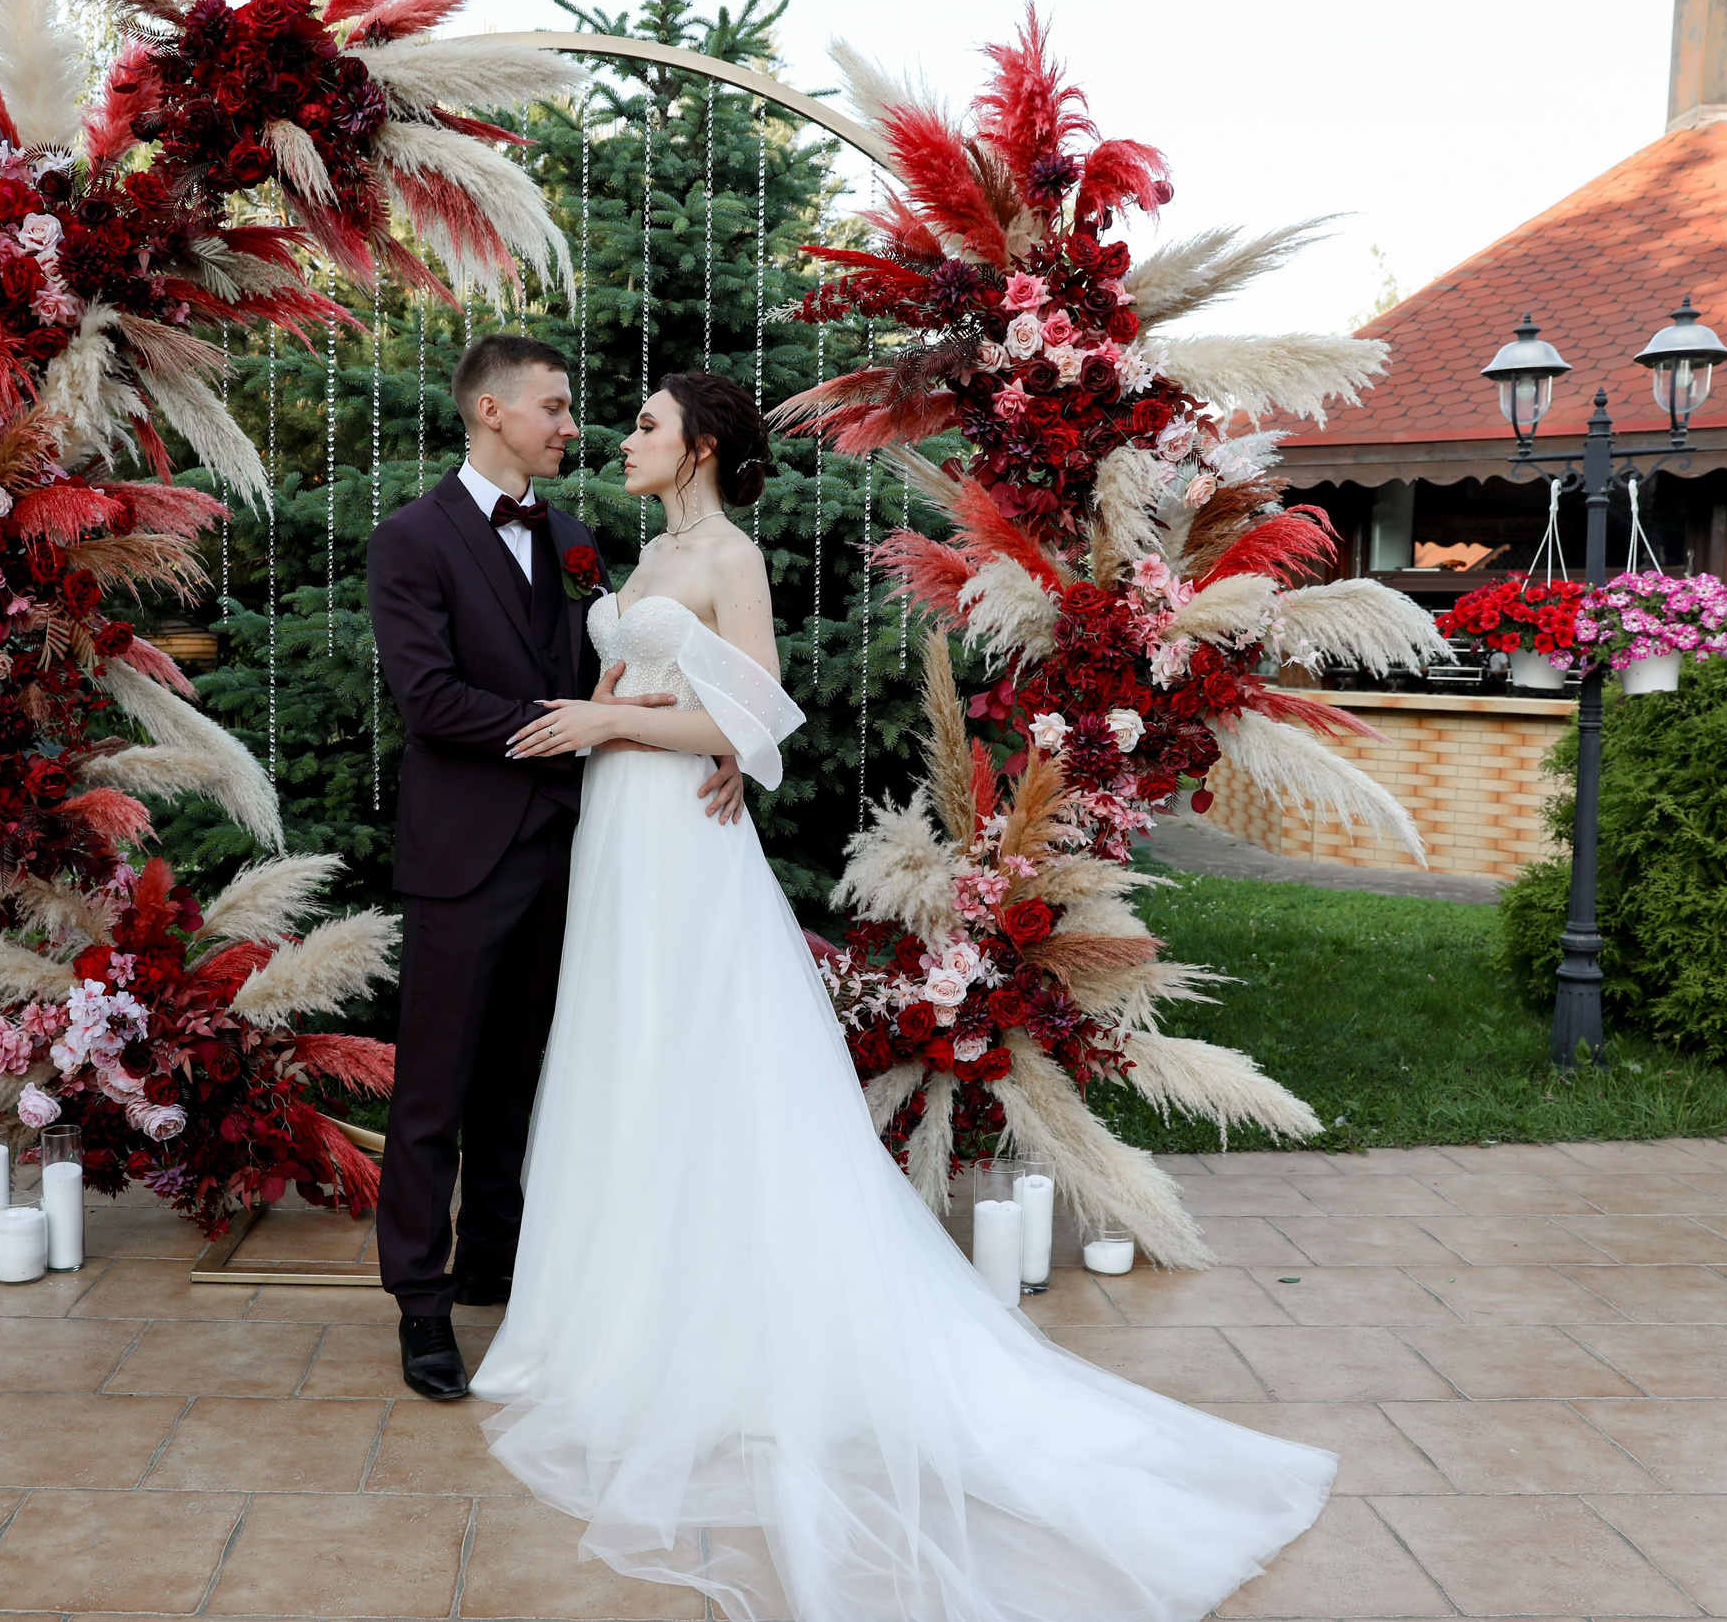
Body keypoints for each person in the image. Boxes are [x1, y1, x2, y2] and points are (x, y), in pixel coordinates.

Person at [474, 370, 1337, 1622]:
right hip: (620, 836)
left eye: (646, 426)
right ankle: (609, 1312)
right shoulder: (648, 556)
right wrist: (614, 719)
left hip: (674, 840)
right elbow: (677, 703)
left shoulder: (730, 554)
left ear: (701, 447)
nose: (624, 440)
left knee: (687, 1056)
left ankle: (701, 1331)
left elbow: (756, 718)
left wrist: (614, 732)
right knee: (625, 1057)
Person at [365, 335, 741, 1401]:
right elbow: (429, 701)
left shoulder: (574, 538)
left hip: (576, 849)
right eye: (556, 407)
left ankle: (493, 1261)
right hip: (461, 856)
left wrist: (711, 737)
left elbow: (631, 673)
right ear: (491, 410)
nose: (573, 426)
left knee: (523, 1080)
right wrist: (581, 726)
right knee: (432, 1092)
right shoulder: (410, 541)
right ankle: (422, 1306)